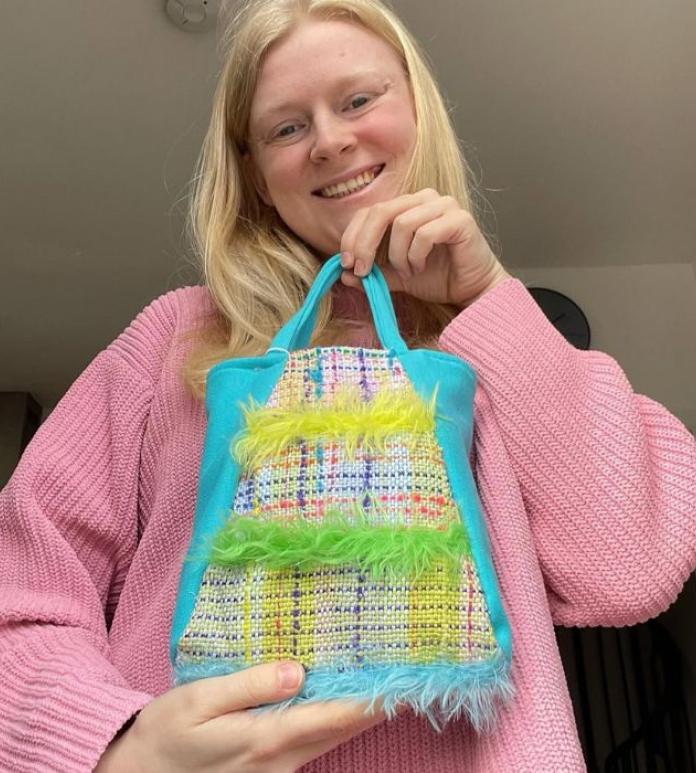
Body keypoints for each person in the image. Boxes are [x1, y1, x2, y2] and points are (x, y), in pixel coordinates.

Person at [1, 0, 695, 770]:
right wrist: (114, 745)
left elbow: (631, 567)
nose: (331, 140)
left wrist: (492, 295)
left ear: (418, 114)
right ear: (258, 177)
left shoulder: (501, 343)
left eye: (359, 100)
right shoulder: (177, 338)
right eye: (286, 128)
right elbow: (19, 598)